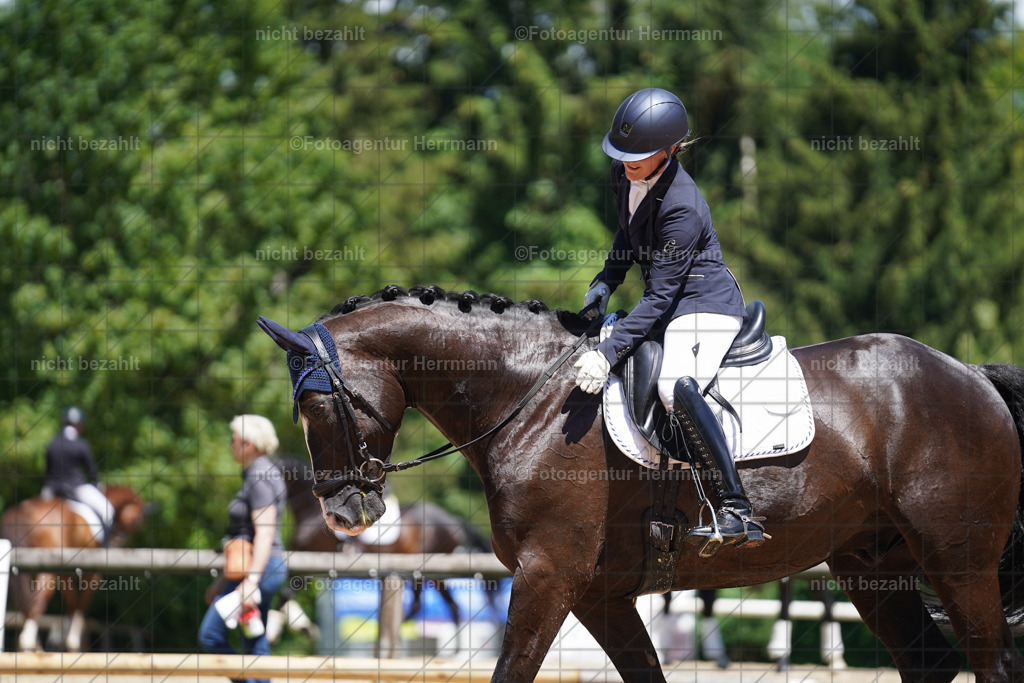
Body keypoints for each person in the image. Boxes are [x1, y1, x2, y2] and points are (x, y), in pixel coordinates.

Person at [573, 87, 767, 555]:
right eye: (621, 155)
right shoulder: (627, 176)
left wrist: (606, 354)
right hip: (670, 297)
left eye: (637, 157)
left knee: (673, 385)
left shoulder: (682, 204)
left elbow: (660, 299)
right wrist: (607, 279)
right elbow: (627, 230)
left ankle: (736, 508)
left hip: (703, 303)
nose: (626, 164)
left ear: (669, 150)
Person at [199, 415, 288, 681]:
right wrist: (225, 581)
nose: (230, 445)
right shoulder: (258, 471)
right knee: (254, 643)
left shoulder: (259, 475)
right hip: (260, 569)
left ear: (249, 443)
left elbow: (264, 532)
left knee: (210, 635)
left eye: (233, 440)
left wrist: (250, 581)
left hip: (260, 570)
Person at [42, 406, 114, 544]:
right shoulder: (81, 444)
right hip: (76, 488)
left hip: (52, 489)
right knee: (107, 511)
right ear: (79, 425)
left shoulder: (51, 444)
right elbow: (92, 471)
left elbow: (48, 471)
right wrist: (97, 483)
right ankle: (106, 546)